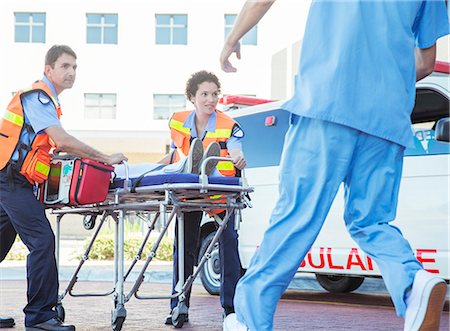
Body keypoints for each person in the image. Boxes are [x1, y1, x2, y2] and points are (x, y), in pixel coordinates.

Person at [219, 1, 449, 331]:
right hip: (387, 116)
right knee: (371, 221)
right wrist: (384, 77)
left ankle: (248, 319)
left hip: (328, 101)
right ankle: (413, 284)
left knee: (297, 216)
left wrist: (232, 39)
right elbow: (426, 62)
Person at [0, 45, 127, 331]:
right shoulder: (39, 97)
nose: (71, 72)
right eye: (65, 66)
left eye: (74, 67)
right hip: (9, 180)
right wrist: (105, 157)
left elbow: (41, 145)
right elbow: (63, 140)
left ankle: (39, 314)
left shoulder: (45, 100)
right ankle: (40, 316)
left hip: (10, 178)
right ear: (49, 70)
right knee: (43, 241)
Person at [163, 70, 247, 325]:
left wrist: (237, 157)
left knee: (229, 243)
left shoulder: (228, 125)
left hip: (220, 190)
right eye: (205, 94)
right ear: (192, 97)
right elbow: (173, 155)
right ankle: (179, 304)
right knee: (185, 246)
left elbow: (235, 148)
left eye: (214, 94)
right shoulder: (177, 122)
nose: (211, 99)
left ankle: (230, 308)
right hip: (189, 189)